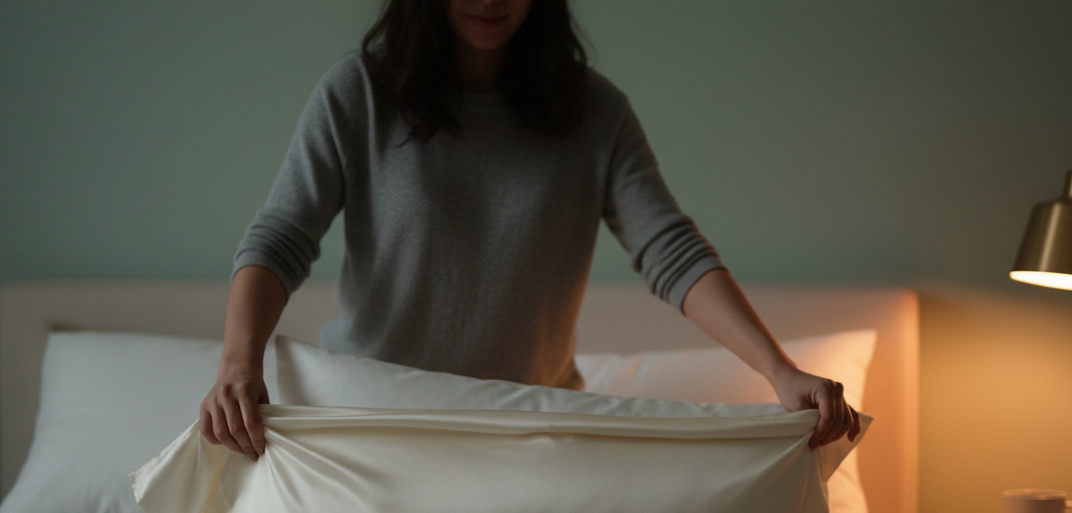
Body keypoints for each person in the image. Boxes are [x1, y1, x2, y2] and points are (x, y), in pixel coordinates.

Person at [200, 0, 859, 459]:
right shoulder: (358, 94)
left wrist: (779, 370)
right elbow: (281, 237)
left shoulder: (597, 114)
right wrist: (238, 361)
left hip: (530, 436)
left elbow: (672, 251)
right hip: (374, 425)